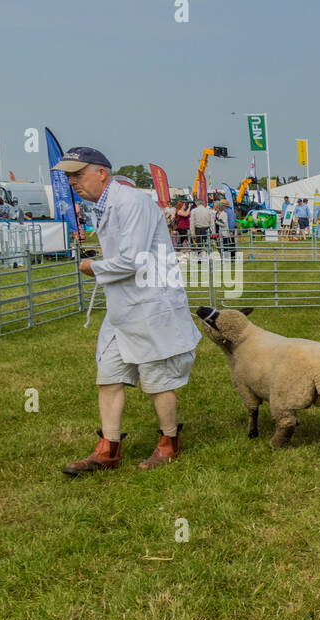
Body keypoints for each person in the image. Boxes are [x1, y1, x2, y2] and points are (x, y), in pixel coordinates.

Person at [54, 147, 201, 475]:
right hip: (122, 307)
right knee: (109, 375)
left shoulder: (131, 202)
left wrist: (94, 266)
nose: (72, 182)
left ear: (101, 172)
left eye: (78, 174)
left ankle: (169, 442)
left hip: (150, 304)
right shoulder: (104, 206)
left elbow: (135, 260)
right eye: (68, 176)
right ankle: (108, 448)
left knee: (157, 378)